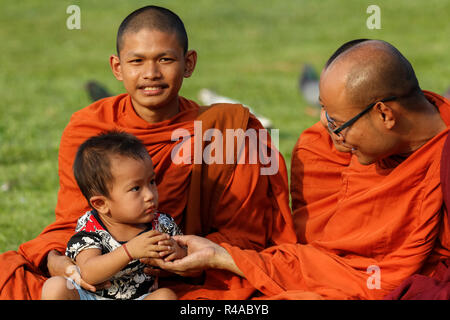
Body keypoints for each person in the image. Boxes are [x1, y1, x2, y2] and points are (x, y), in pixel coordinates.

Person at [0, 5, 296, 299]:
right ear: (117, 67)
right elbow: (73, 221)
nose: (151, 73)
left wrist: (187, 254)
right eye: (137, 61)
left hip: (187, 279)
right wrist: (59, 262)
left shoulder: (228, 130)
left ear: (188, 63)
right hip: (99, 272)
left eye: (165, 59)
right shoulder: (88, 128)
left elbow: (246, 234)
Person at [145, 39, 450, 300]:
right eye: (324, 112)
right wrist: (219, 256)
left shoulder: (443, 162)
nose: (329, 131)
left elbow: (379, 280)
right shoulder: (327, 150)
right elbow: (325, 259)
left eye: (337, 122)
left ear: (384, 114)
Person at [41, 131, 183, 300]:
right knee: (54, 287)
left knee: (166, 296)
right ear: (101, 204)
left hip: (140, 297)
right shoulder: (92, 225)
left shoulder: (160, 223)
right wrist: (129, 251)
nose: (150, 195)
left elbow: (193, 265)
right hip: (91, 296)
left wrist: (178, 253)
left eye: (151, 182)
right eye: (136, 188)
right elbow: (88, 273)